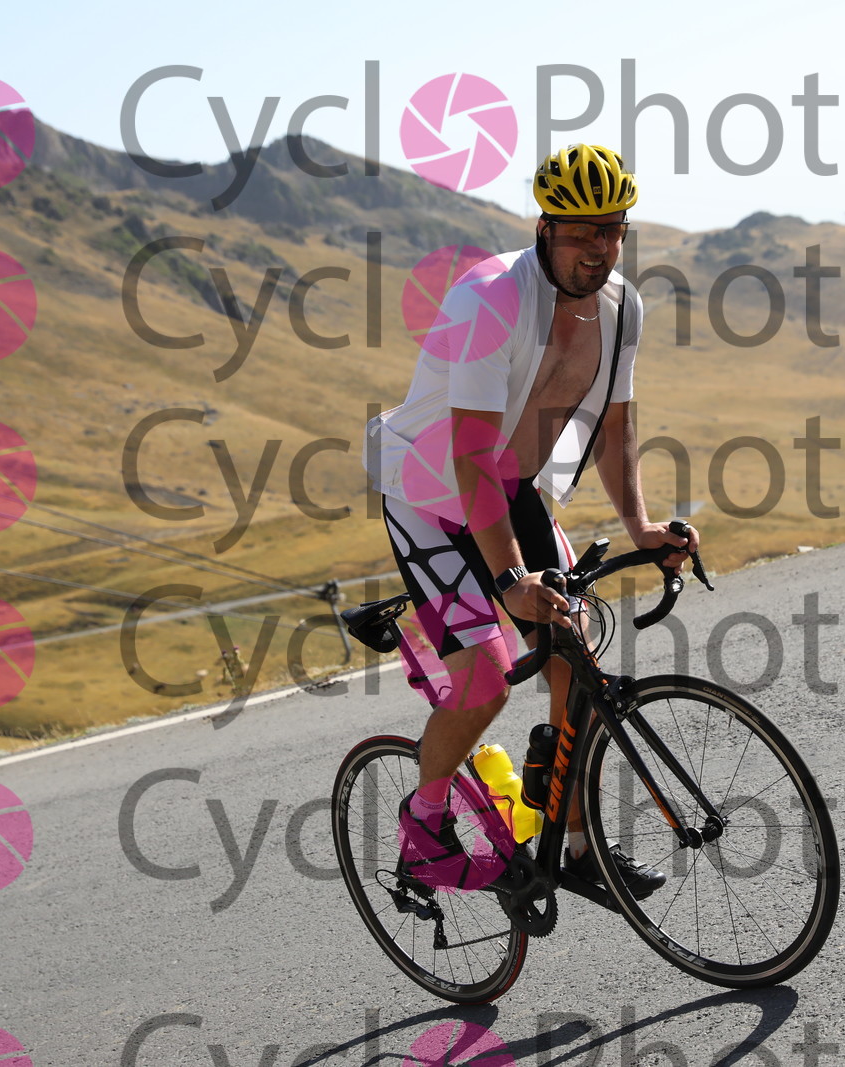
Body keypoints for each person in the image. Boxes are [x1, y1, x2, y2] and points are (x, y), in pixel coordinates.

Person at [366, 144, 697, 898]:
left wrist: (644, 528)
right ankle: (424, 827)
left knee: (574, 664)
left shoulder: (621, 307)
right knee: (484, 680)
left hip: (508, 488)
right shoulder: (489, 300)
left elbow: (616, 426)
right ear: (545, 227)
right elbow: (470, 453)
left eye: (612, 229)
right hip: (430, 495)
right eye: (581, 232)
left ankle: (578, 846)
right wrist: (512, 578)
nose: (598, 248)